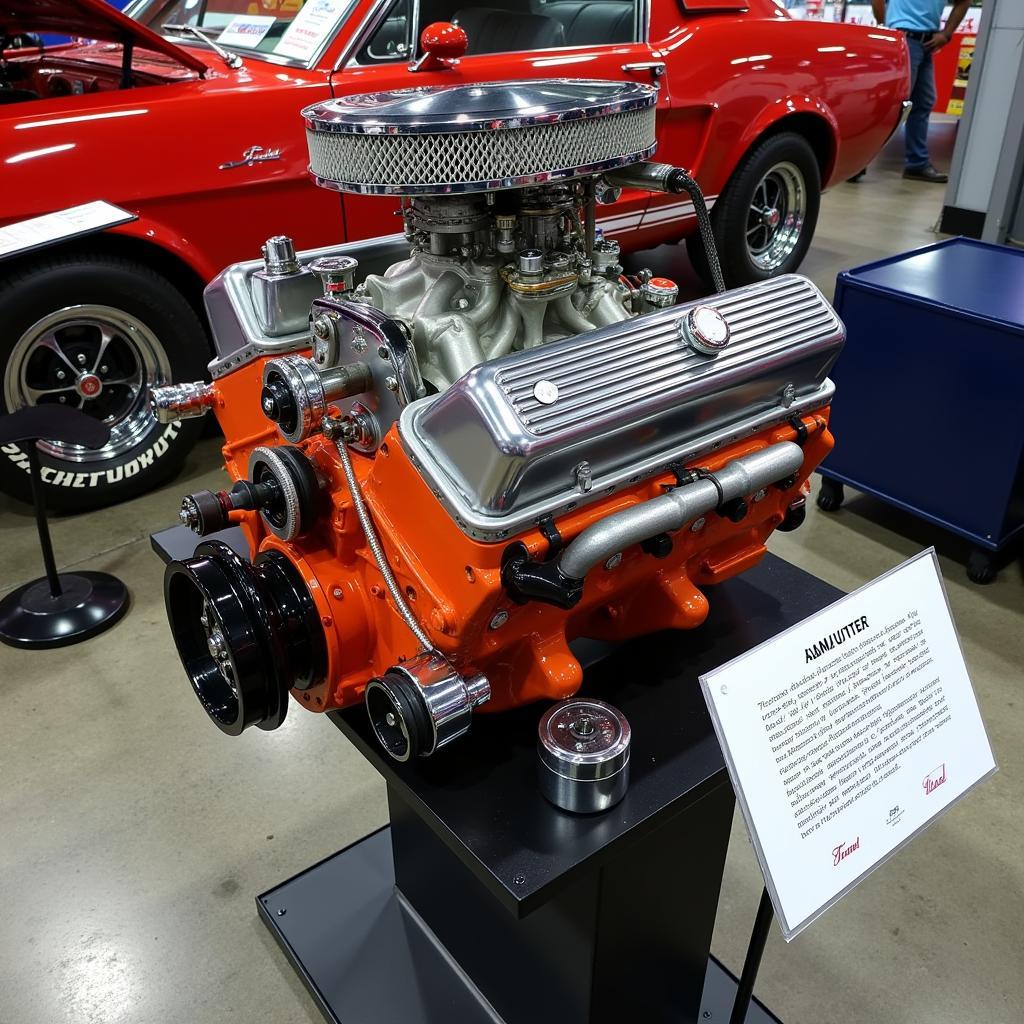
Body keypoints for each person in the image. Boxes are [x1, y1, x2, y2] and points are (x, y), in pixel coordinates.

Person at [871, 0, 972, 182]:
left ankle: (916, 163)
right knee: (894, 106)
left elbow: (964, 2)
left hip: (925, 42)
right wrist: (886, 29)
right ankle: (859, 162)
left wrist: (946, 34)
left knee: (921, 103)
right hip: (905, 38)